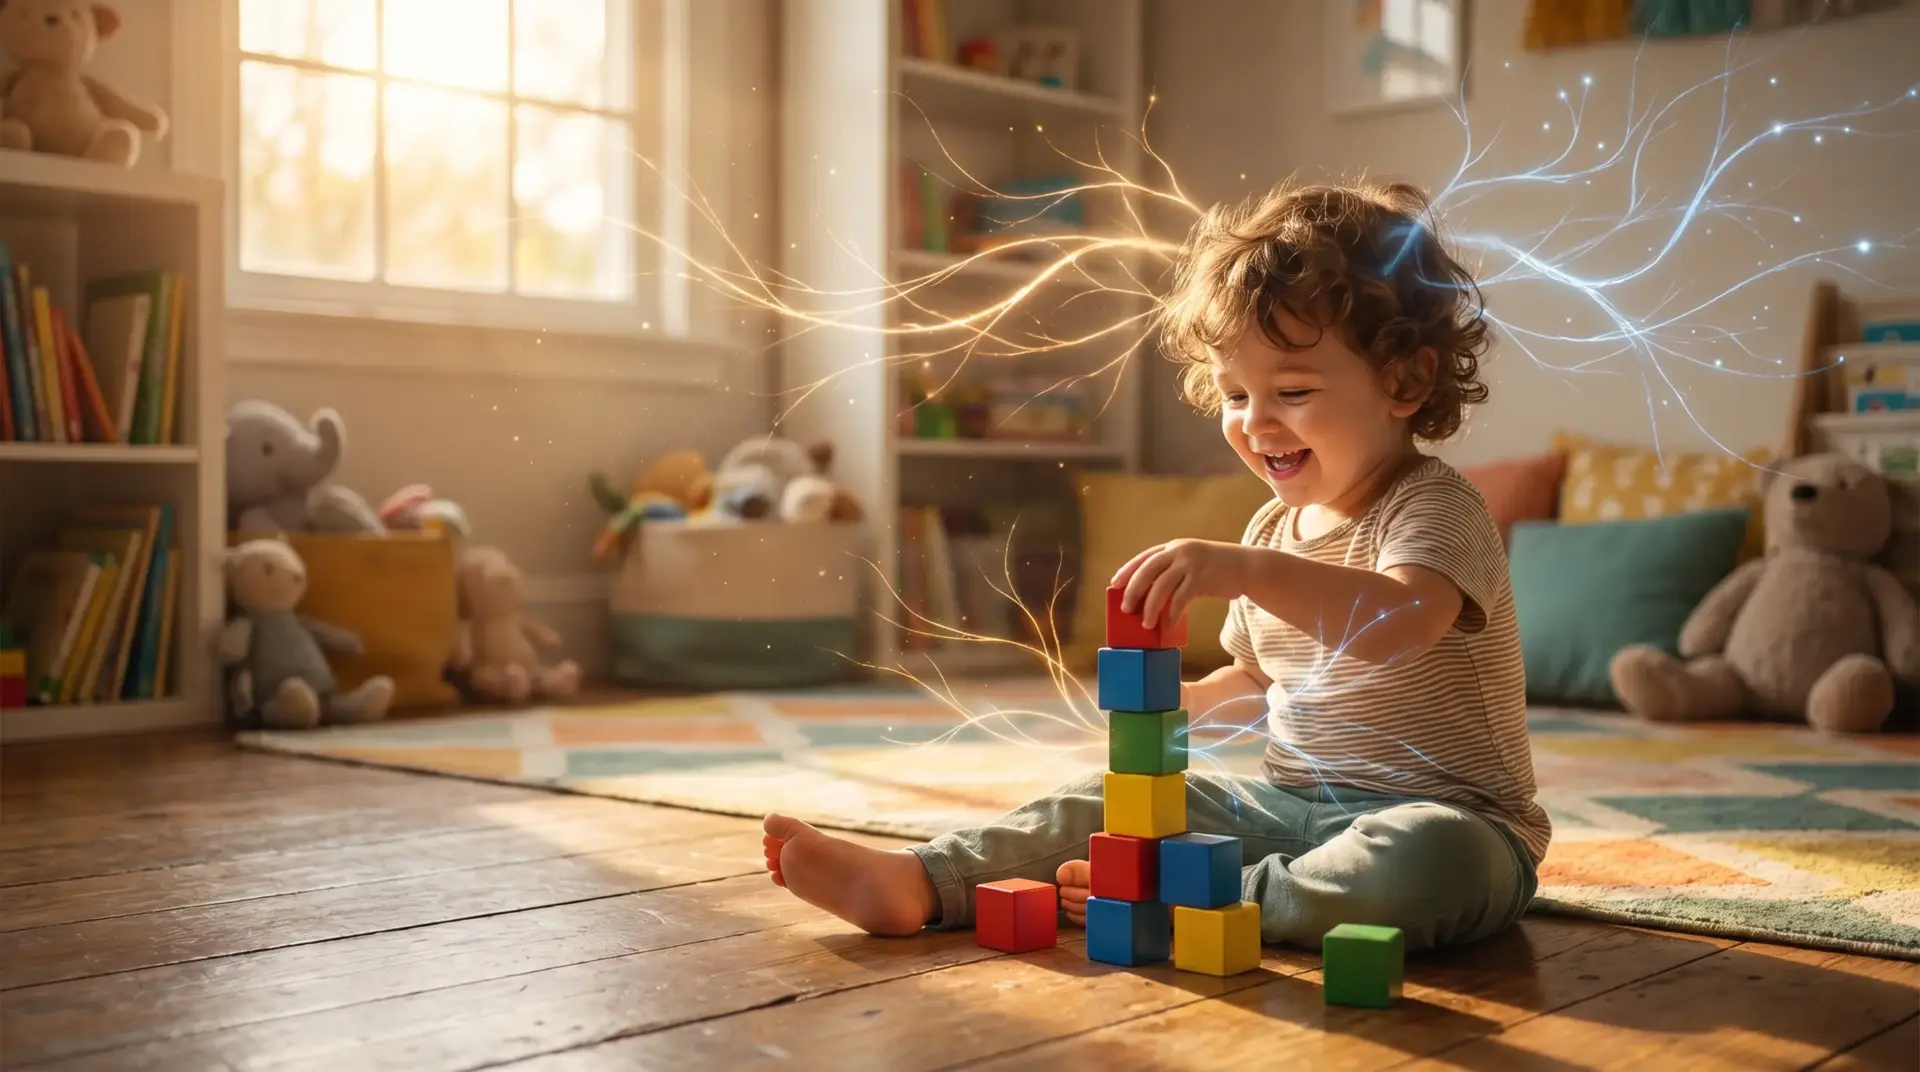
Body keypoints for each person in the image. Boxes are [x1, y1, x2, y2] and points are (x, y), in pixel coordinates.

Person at [761, 179, 1548, 953]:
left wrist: (1241, 570)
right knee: (1103, 805)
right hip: (1290, 810)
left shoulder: (1436, 506)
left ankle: (1212, 899)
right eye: (1235, 394)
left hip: (1453, 821)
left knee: (1425, 863)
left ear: (1404, 380)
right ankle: (926, 880)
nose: (1256, 422)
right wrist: (1176, 703)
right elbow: (1259, 684)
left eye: (1295, 390)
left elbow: (1396, 624)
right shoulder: (1273, 529)